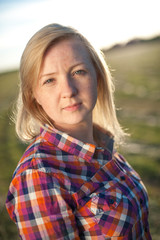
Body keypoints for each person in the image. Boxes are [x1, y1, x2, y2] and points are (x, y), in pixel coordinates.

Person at [6, 23, 151, 239]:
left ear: (97, 75)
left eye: (78, 71)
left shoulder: (102, 146)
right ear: (33, 95)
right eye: (49, 80)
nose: (69, 90)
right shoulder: (39, 177)